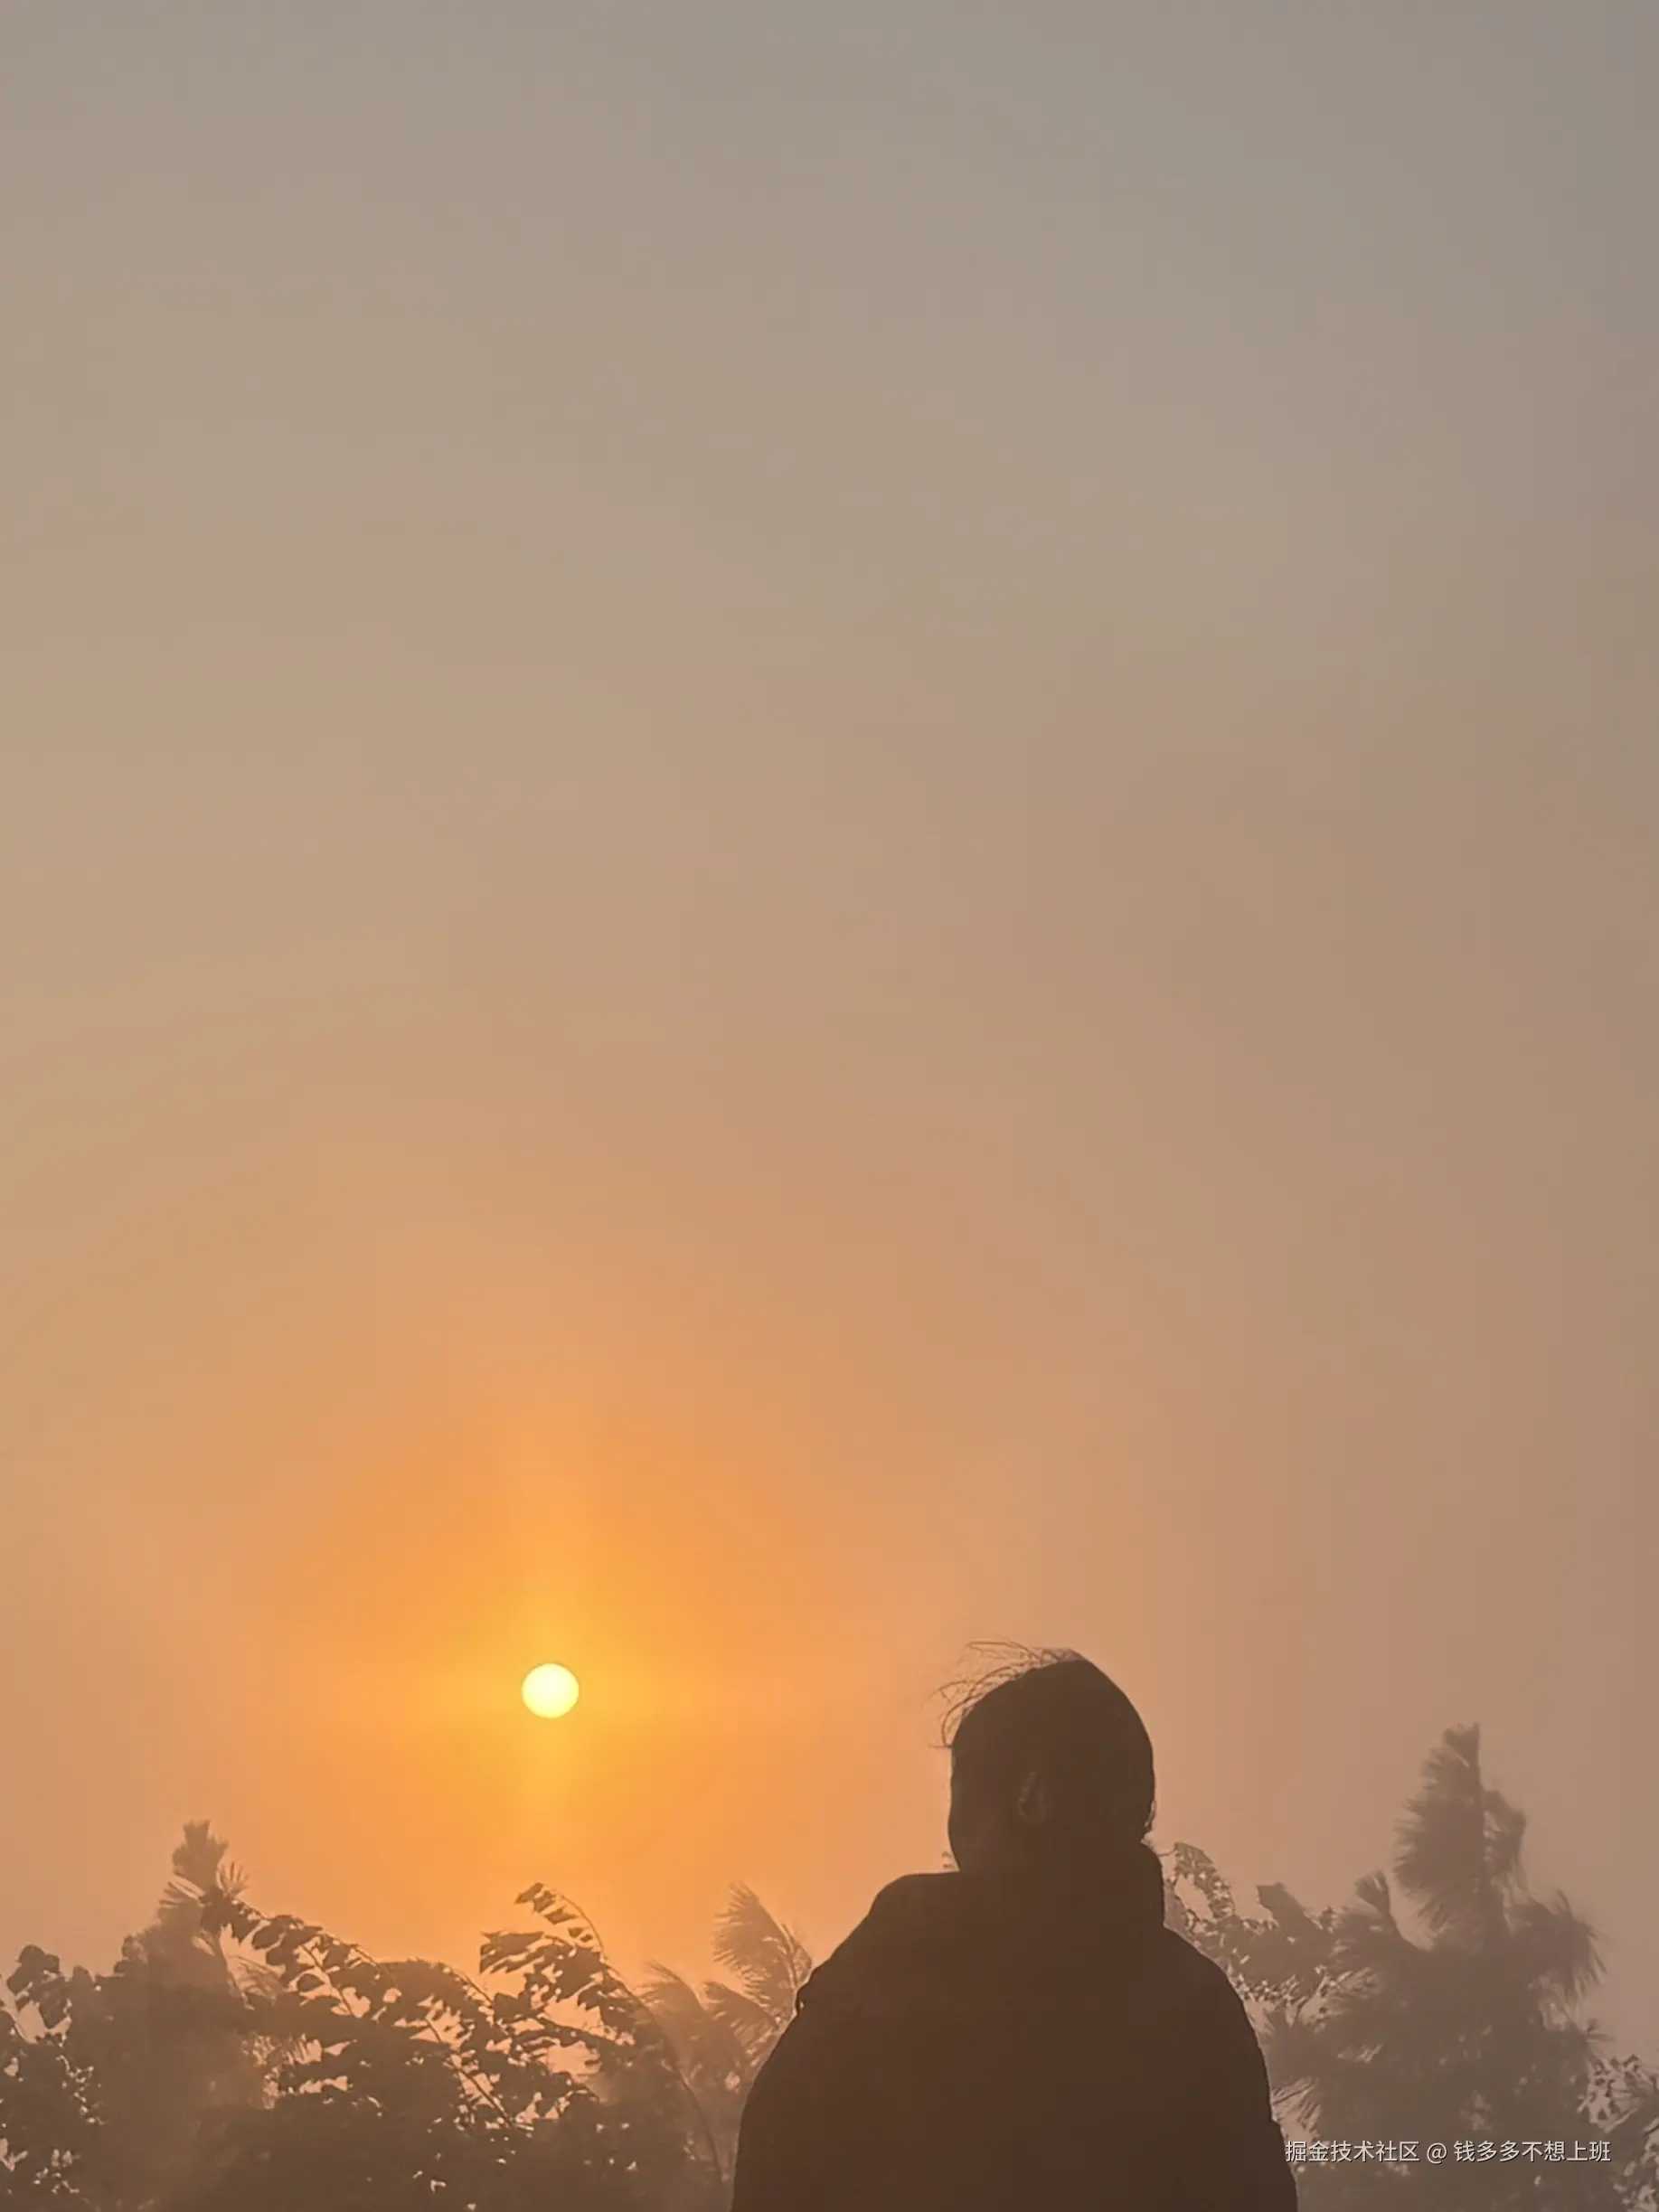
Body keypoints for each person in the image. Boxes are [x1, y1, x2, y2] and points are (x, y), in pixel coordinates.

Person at [730, 1649, 1296, 2210]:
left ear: (1033, 1795)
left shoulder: (877, 1982)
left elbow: (775, 2176)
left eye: (961, 1793)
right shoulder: (1191, 2006)